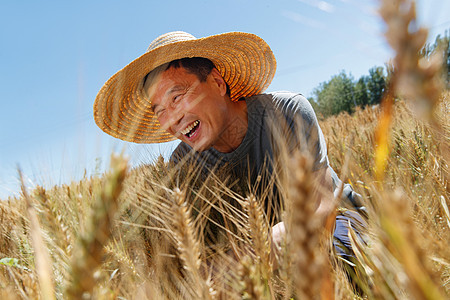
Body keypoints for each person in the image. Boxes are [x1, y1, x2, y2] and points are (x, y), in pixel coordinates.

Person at [93, 31, 367, 273]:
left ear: (217, 83)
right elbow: (203, 248)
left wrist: (252, 257)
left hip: (337, 223)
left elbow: (321, 207)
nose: (172, 118)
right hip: (257, 259)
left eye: (177, 97)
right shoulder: (183, 163)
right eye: (161, 111)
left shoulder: (287, 112)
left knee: (326, 264)